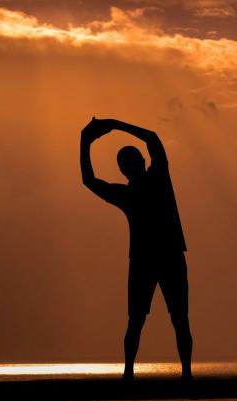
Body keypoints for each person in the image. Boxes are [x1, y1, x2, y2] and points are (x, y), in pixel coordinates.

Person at [80, 117, 193, 380]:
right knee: (159, 319)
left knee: (159, 319)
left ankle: (139, 372)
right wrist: (107, 129)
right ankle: (149, 372)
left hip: (159, 257)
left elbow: (89, 179)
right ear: (133, 167)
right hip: (160, 257)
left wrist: (88, 140)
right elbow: (151, 138)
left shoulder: (144, 185)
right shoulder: (149, 182)